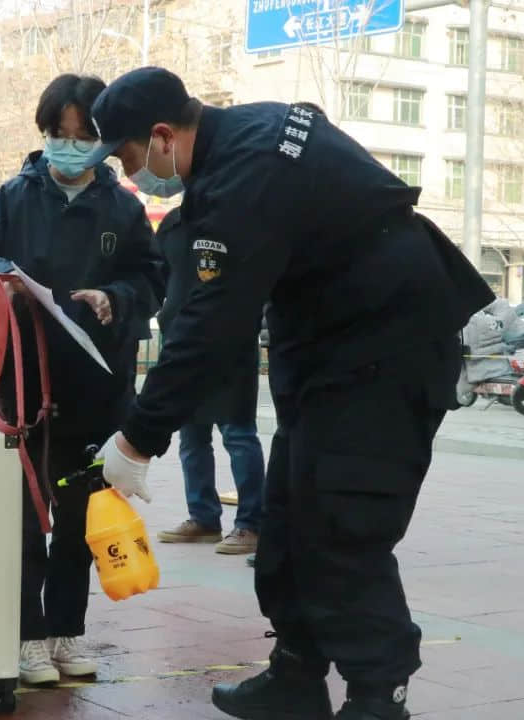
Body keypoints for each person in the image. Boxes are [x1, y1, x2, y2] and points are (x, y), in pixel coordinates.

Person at [85, 67, 493, 720]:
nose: (133, 174)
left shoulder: (242, 179)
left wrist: (138, 438)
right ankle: (296, 675)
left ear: (161, 137)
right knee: (287, 521)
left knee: (341, 529)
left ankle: (377, 695)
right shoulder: (258, 126)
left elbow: (210, 328)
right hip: (333, 356)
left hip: (385, 356)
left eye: (129, 157)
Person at [0, 73, 164, 686]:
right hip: (21, 391)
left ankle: (67, 630)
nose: (68, 147)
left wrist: (115, 298)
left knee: (79, 519)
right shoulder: (14, 197)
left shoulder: (123, 208)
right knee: (20, 519)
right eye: (57, 134)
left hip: (97, 389)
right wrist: (0, 275)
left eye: (82, 135)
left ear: (104, 141)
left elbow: (153, 279)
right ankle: (26, 637)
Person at [153, 207, 264, 555]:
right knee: (191, 436)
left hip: (230, 345)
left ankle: (251, 524)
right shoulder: (171, 225)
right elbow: (156, 278)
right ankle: (203, 518)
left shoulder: (239, 218)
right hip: (182, 345)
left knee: (238, 434)